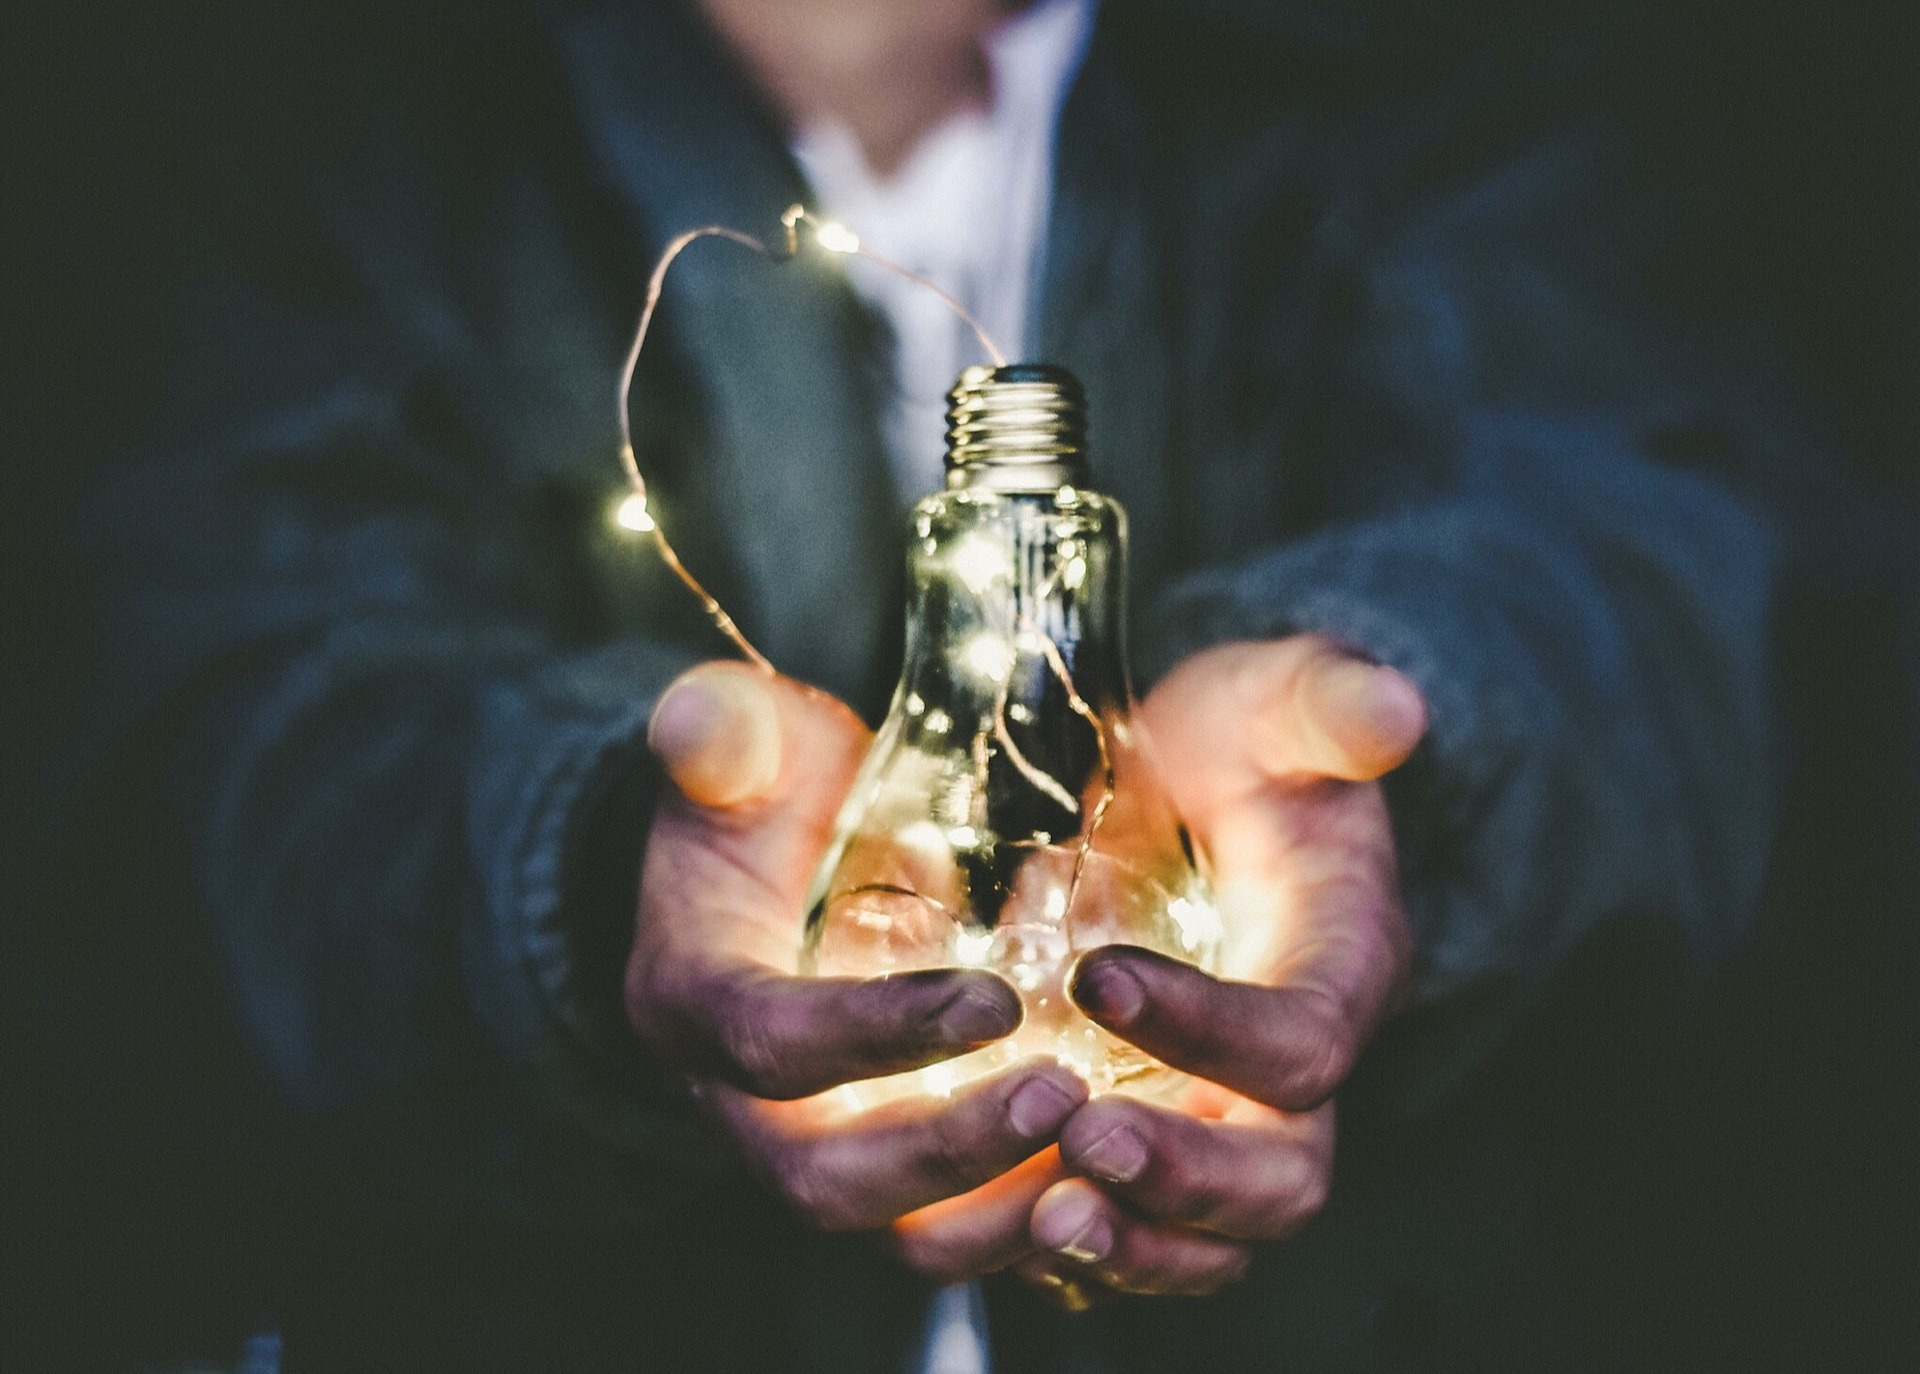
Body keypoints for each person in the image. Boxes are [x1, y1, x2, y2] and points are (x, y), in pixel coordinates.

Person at [62, 0, 1857, 1368]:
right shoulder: (352, 128)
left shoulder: (1422, 87)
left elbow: (1669, 536)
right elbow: (202, 700)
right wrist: (597, 861)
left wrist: (1399, 729)